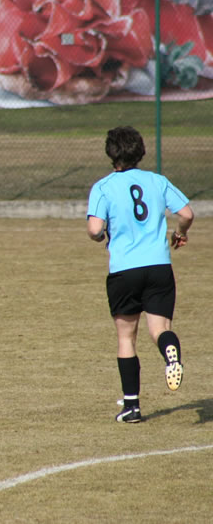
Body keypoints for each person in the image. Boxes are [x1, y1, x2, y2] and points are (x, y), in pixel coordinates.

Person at [87, 126, 194, 424]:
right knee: (159, 328)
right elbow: (186, 213)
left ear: (111, 153)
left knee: (126, 337)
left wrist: (101, 236)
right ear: (140, 151)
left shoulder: (103, 187)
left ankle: (132, 406)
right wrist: (179, 233)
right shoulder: (157, 181)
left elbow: (95, 229)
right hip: (159, 267)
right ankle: (170, 352)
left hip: (124, 270)